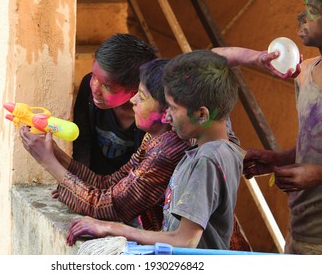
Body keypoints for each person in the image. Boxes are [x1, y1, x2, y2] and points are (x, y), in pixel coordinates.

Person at [66, 50, 245, 250]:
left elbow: (185, 241)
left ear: (202, 114)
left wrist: (112, 228)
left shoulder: (206, 161)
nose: (167, 116)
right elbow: (213, 59)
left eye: (173, 109)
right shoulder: (218, 145)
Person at [20, 59, 191, 231]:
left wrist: (48, 161)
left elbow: (107, 206)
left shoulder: (167, 150)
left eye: (142, 96)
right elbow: (108, 183)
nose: (133, 100)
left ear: (167, 112)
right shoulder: (155, 137)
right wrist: (55, 153)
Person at [240, 0, 322, 254]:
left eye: (311, 11)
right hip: (301, 228)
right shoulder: (305, 73)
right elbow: (311, 147)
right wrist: (277, 159)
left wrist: (318, 175)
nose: (301, 18)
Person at [73, 33, 157, 175]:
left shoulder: (151, 114)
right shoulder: (87, 88)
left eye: (107, 86)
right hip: (93, 180)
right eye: (94, 76)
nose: (95, 88)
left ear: (134, 91)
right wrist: (77, 180)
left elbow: (143, 172)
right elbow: (82, 139)